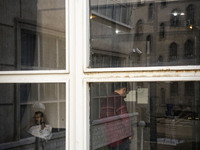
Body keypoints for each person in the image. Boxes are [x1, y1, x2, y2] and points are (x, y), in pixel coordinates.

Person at [100, 82, 133, 150]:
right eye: (127, 93)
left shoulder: (105, 100)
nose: (126, 95)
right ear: (124, 89)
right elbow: (125, 119)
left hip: (109, 137)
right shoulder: (119, 100)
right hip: (120, 138)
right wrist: (130, 133)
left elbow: (101, 118)